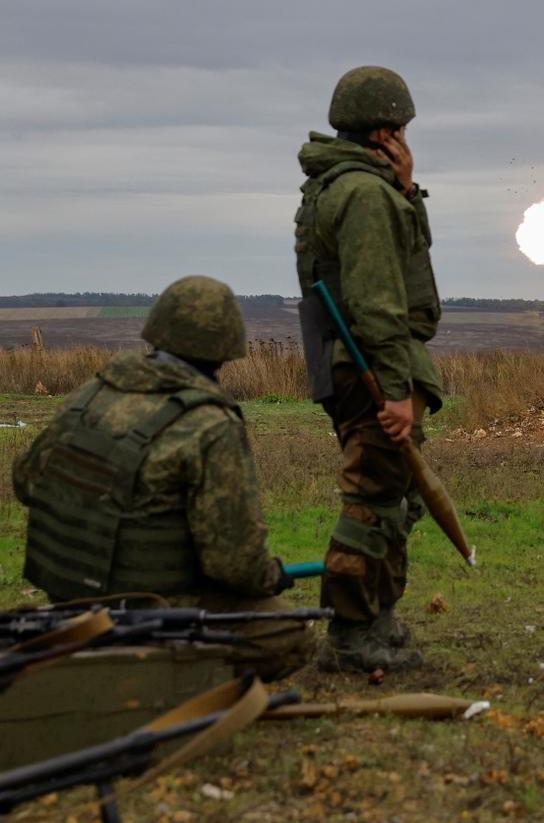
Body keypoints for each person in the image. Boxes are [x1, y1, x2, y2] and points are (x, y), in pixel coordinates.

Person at [11, 276, 312, 682]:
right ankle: (157, 672)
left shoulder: (93, 394)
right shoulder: (210, 424)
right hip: (150, 606)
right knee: (289, 634)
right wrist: (270, 576)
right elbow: (235, 563)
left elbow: (25, 480)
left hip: (68, 598)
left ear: (157, 331)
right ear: (228, 346)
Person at [293, 65, 444, 673]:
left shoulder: (352, 187)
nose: (406, 139)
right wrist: (398, 391)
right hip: (370, 370)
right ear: (384, 131)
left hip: (360, 365)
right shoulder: (360, 195)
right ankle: (353, 635)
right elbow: (377, 301)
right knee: (373, 500)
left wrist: (408, 193)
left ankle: (378, 617)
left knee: (397, 495)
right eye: (400, 128)